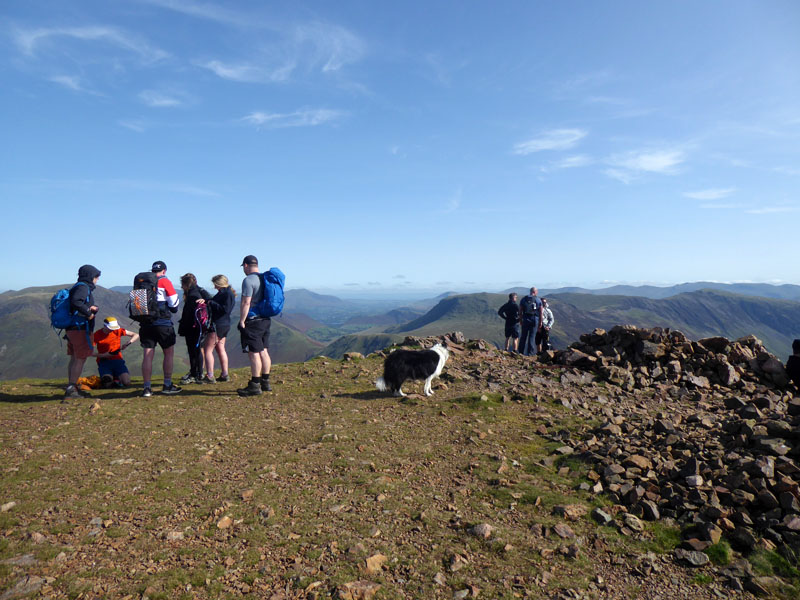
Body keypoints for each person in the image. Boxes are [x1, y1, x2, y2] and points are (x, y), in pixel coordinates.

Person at [139, 261, 181, 397]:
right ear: (164, 271)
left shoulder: (143, 282)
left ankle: (147, 388)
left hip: (146, 323)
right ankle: (167, 385)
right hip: (163, 323)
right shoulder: (164, 281)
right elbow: (174, 304)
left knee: (147, 355)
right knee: (168, 353)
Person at [63, 265, 101, 401]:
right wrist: (89, 313)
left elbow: (76, 302)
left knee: (74, 357)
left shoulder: (78, 286)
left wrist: (89, 308)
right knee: (80, 358)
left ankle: (72, 387)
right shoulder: (83, 287)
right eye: (96, 277)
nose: (97, 280)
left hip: (73, 328)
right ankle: (72, 389)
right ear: (90, 276)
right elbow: (76, 302)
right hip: (80, 328)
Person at [237, 255, 272, 396]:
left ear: (246, 265)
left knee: (254, 352)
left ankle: (255, 385)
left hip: (253, 321)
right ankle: (265, 382)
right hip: (266, 319)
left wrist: (242, 320)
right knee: (264, 350)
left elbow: (246, 302)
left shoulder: (248, 280)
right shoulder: (265, 279)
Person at [197, 274, 236, 383]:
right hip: (224, 325)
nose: (214, 287)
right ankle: (224, 374)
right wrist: (207, 300)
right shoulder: (226, 293)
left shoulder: (226, 294)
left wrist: (210, 302)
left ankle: (210, 376)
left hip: (217, 325)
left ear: (220, 284)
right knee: (220, 349)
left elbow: (225, 309)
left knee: (207, 350)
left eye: (215, 284)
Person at [177, 274, 212, 384]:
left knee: (193, 350)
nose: (182, 287)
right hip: (200, 326)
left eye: (182, 284)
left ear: (186, 284)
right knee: (197, 350)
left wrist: (183, 326)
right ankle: (199, 373)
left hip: (192, 327)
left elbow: (189, 314)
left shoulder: (192, 296)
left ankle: (194, 374)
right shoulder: (201, 291)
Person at [94, 317, 139, 387]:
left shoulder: (117, 330)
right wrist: (104, 355)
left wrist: (128, 343)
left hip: (118, 360)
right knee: (107, 383)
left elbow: (136, 335)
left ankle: (116, 379)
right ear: (105, 326)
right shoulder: (97, 334)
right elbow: (89, 352)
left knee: (127, 382)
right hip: (104, 361)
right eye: (111, 328)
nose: (112, 330)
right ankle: (114, 379)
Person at [518, 286, 543, 356]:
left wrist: (520, 320)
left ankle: (520, 352)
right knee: (532, 337)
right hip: (534, 319)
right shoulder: (538, 300)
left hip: (525, 318)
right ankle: (530, 353)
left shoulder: (524, 299)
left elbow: (520, 310)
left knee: (523, 336)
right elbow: (541, 312)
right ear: (535, 292)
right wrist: (540, 322)